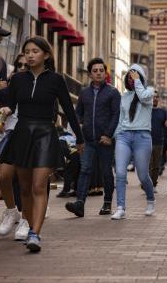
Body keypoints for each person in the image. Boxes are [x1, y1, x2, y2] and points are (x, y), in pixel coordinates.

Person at [0, 36, 84, 252]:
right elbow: (10, 101)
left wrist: (80, 139)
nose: (29, 54)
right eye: (27, 51)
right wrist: (7, 108)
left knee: (38, 185)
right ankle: (26, 223)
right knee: (24, 187)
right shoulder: (17, 79)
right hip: (22, 133)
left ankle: (35, 233)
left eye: (35, 51)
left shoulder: (56, 80)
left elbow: (69, 110)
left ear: (46, 55)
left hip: (45, 133)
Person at [65, 58, 121, 217]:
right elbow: (78, 114)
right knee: (85, 170)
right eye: (95, 71)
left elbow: (116, 115)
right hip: (88, 140)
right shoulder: (84, 93)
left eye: (101, 71)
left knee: (106, 172)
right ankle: (80, 204)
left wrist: (108, 135)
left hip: (105, 140)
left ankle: (107, 203)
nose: (98, 73)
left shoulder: (113, 92)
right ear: (90, 74)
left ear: (105, 73)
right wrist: (80, 135)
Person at [111, 64, 155, 220]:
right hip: (124, 136)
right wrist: (115, 137)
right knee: (121, 173)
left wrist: (138, 81)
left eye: (135, 76)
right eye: (129, 77)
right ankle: (120, 208)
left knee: (143, 175)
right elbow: (121, 120)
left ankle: (150, 200)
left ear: (141, 77)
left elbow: (142, 96)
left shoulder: (149, 91)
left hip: (142, 137)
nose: (131, 79)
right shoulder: (124, 97)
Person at [0, 54, 30, 240]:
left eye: (26, 64)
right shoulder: (10, 85)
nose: (23, 67)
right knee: (4, 175)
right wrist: (3, 112)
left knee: (26, 181)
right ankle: (12, 211)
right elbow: (5, 105)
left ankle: (26, 219)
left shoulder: (38, 85)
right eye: (19, 65)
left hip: (31, 136)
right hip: (10, 134)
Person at [149, 90, 166, 190]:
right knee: (149, 165)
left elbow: (166, 127)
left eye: (156, 97)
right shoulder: (145, 110)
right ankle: (147, 184)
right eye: (152, 97)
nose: (154, 99)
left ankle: (154, 184)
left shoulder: (163, 112)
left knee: (156, 166)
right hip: (146, 142)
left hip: (159, 142)